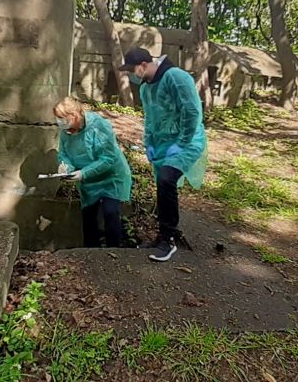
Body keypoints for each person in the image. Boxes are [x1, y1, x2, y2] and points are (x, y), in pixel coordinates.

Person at [119, 47, 208, 262]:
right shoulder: (146, 88)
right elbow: (149, 118)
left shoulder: (175, 77)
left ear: (143, 65)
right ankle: (163, 234)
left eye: (132, 70)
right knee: (162, 184)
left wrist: (182, 142)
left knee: (167, 179)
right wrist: (148, 142)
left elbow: (192, 111)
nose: (131, 75)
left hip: (186, 142)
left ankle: (168, 240)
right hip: (162, 144)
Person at [54, 97, 132, 248]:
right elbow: (64, 153)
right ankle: (90, 254)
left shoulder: (99, 126)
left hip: (111, 177)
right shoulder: (66, 131)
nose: (60, 122)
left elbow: (108, 158)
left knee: (111, 212)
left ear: (75, 115)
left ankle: (114, 253)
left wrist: (84, 173)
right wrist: (65, 167)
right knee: (88, 216)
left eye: (63, 118)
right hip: (88, 182)